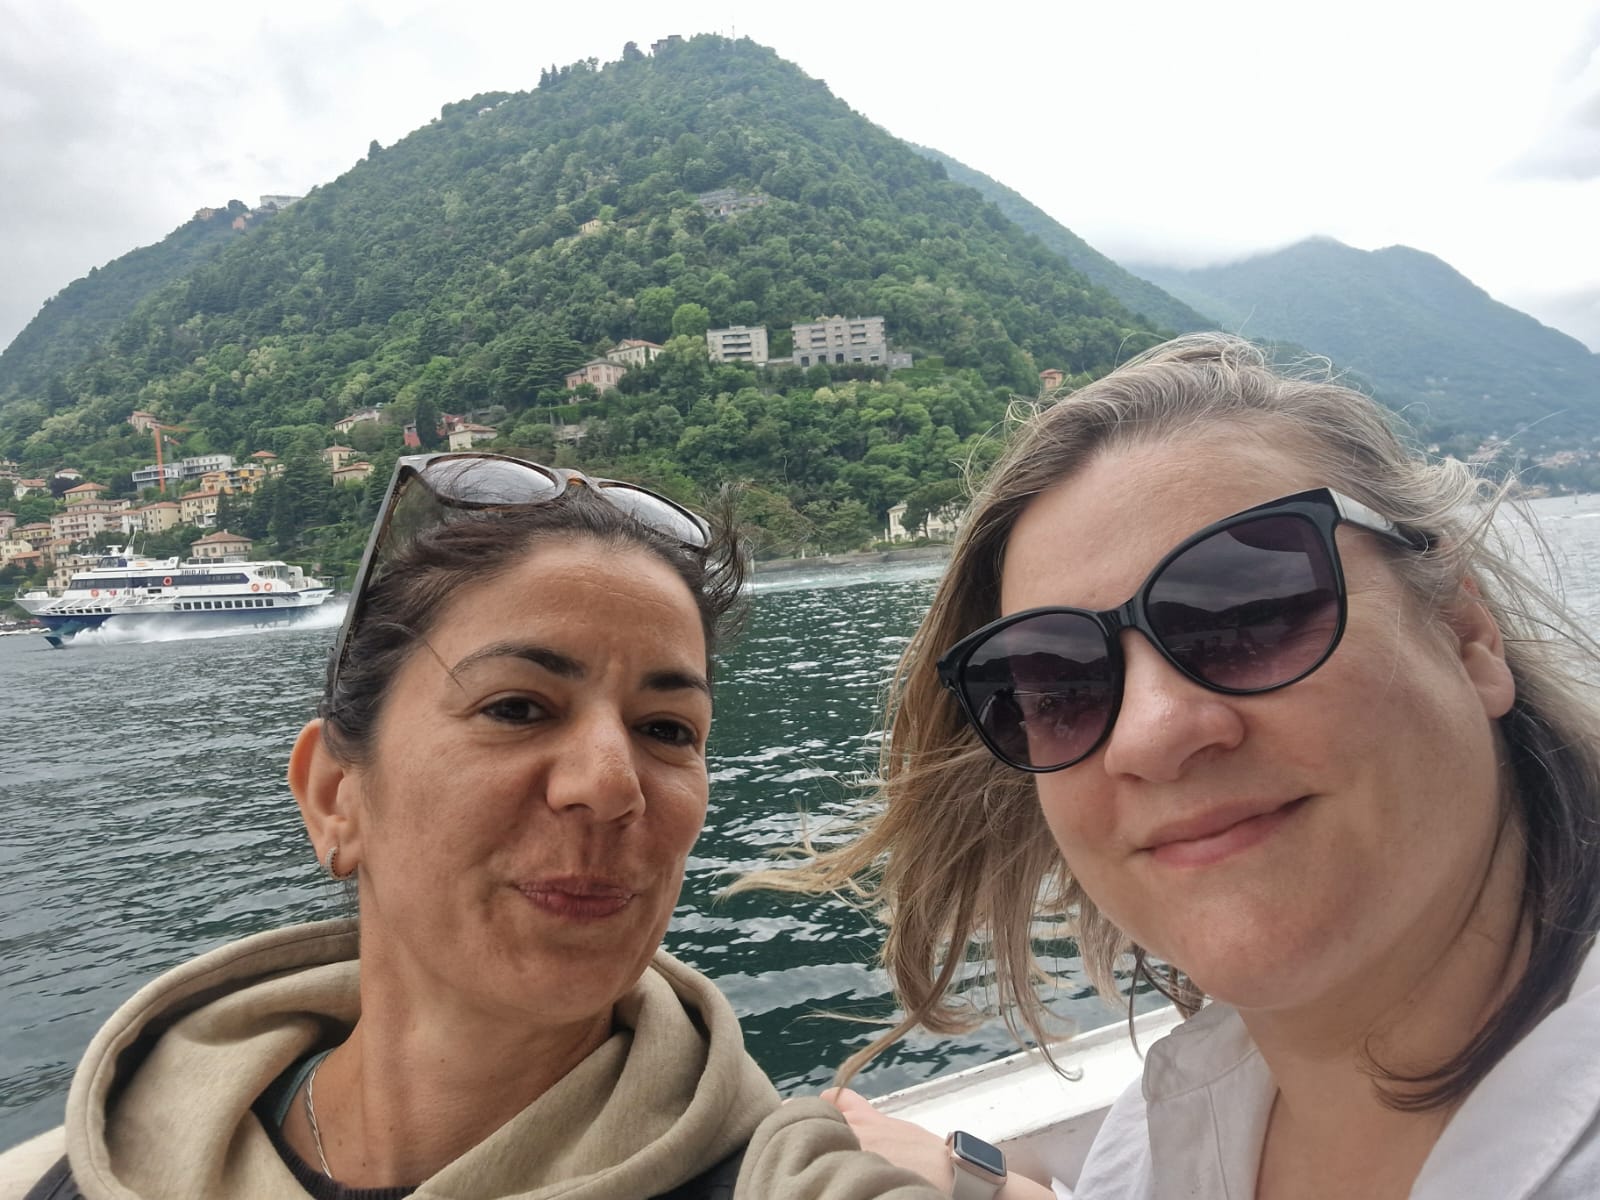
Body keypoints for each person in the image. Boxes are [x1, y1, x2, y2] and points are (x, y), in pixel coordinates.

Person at [754, 335, 1600, 1198]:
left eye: (1247, 611)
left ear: (1466, 636)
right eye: (1057, 686)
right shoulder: (1167, 1132)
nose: (1150, 733)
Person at [0, 453, 945, 1200]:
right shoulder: (75, 1171)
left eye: (667, 730)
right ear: (336, 795)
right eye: (518, 708)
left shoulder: (784, 1180)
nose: (610, 787)